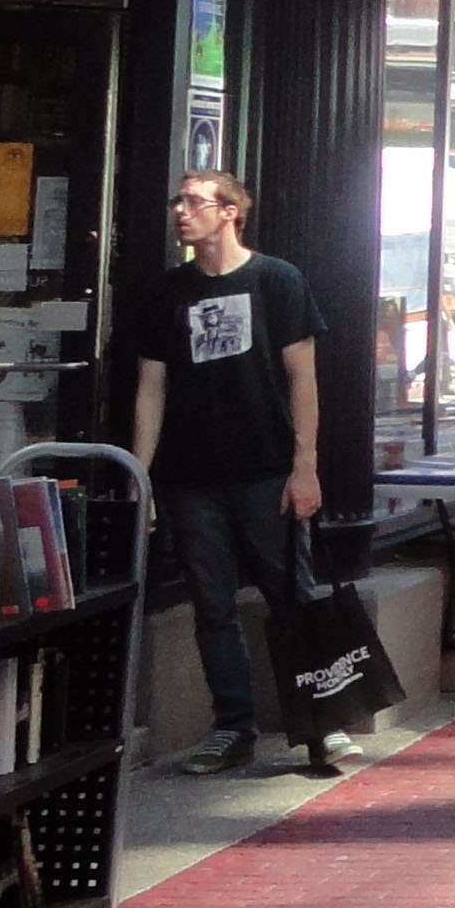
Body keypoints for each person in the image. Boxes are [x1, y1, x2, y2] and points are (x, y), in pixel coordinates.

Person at [114, 169, 332, 777]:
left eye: (194, 202)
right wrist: (143, 476)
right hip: (190, 475)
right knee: (212, 603)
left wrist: (305, 466)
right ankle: (231, 726)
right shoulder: (165, 294)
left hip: (265, 468)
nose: (180, 212)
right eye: (176, 200)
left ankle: (316, 720)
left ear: (231, 212)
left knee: (292, 595)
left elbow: (303, 380)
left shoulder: (277, 281)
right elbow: (150, 389)